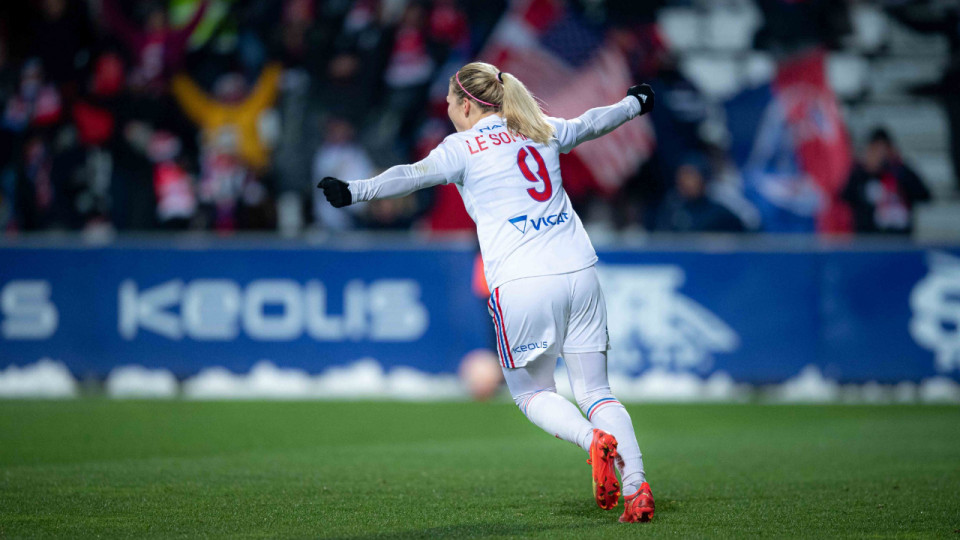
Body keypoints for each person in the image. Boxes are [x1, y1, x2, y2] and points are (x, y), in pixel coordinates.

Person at [317, 61, 656, 523]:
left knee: (531, 394)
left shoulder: (463, 146)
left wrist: (354, 191)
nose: (448, 110)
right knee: (597, 391)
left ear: (466, 105)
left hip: (521, 280)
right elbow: (592, 122)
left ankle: (592, 440)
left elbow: (411, 175)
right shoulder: (540, 128)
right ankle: (637, 488)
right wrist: (634, 103)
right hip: (580, 269)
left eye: (449, 102)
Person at [842, 128, 931, 235]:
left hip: (900, 240)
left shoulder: (902, 172)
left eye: (883, 150)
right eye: (876, 150)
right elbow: (844, 198)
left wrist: (897, 169)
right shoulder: (859, 175)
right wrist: (867, 171)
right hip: (868, 240)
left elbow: (925, 195)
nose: (880, 156)